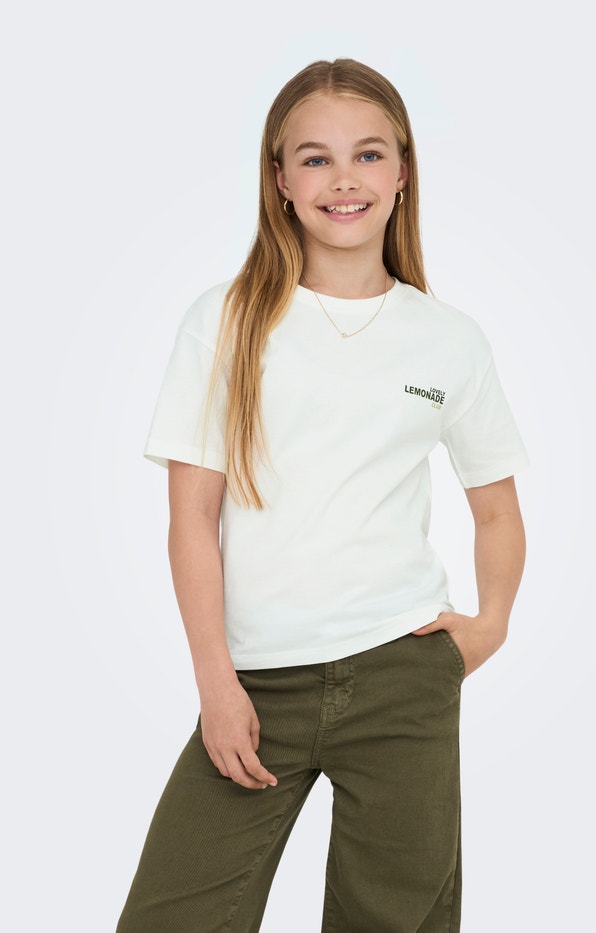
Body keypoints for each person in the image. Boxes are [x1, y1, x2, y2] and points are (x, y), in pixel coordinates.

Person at [116, 58, 528, 933]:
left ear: (403, 170)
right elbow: (191, 518)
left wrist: (489, 624)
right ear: (280, 179)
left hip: (402, 676)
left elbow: (496, 506)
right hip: (256, 682)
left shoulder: (448, 339)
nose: (345, 179)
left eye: (369, 154)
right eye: (315, 158)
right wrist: (216, 682)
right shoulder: (227, 321)